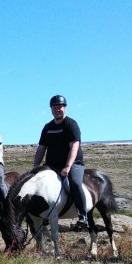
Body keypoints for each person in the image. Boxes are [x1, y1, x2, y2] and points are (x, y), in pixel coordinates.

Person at [34, 95, 87, 231]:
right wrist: (35, 167)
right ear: (51, 109)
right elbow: (41, 148)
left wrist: (68, 166)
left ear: (65, 108)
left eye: (60, 107)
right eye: (55, 107)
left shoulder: (71, 124)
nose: (58, 110)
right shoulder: (47, 127)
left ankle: (82, 215)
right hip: (52, 165)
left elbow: (74, 147)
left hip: (73, 163)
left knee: (74, 183)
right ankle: (44, 214)